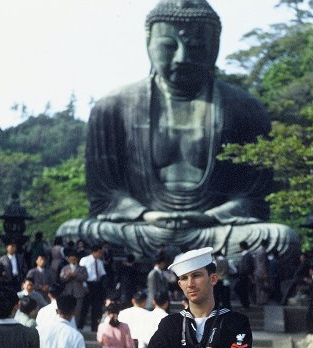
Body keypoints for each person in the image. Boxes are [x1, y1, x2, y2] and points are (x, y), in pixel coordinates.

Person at [57, 0, 299, 268]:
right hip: (142, 228)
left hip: (213, 230)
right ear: (148, 43)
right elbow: (105, 197)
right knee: (73, 233)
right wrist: (147, 216)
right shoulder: (112, 108)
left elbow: (253, 198)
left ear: (215, 46)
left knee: (281, 238)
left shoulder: (246, 109)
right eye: (169, 45)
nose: (182, 57)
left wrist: (208, 217)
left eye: (196, 46)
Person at [78, 243, 106, 330]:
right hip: (87, 284)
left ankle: (94, 327)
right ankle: (80, 326)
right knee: (85, 307)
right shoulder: (85, 260)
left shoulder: (99, 262)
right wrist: (84, 285)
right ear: (95, 252)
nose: (101, 255)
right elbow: (81, 273)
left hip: (96, 285)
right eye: (100, 252)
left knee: (96, 307)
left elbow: (102, 274)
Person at [60, 248, 89, 327]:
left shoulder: (82, 268)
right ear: (69, 259)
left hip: (78, 293)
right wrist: (68, 275)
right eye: (71, 258)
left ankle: (76, 326)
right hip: (68, 292)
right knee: (67, 310)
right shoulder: (65, 268)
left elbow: (85, 277)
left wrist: (75, 275)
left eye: (74, 258)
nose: (73, 260)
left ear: (77, 259)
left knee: (77, 311)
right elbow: (62, 278)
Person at [234, 240, 254, 309]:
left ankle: (245, 305)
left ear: (241, 247)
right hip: (243, 276)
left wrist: (246, 274)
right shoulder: (246, 255)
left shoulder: (247, 255)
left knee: (241, 289)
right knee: (242, 290)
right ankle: (245, 304)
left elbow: (246, 267)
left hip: (244, 276)